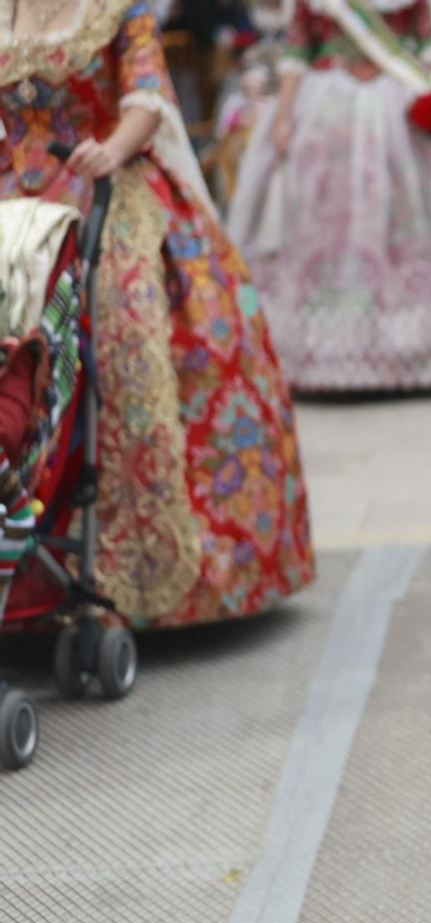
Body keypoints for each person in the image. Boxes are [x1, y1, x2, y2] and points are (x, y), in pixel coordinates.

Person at [1, 0, 314, 627]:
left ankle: (125, 561)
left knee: (125, 325)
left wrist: (111, 149)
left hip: (104, 185)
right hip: (16, 200)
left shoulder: (121, 7)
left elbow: (147, 95)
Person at [227, 0, 431, 391]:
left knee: (406, 224)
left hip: (396, 109)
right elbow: (296, 53)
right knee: (324, 221)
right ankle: (320, 353)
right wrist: (283, 116)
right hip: (325, 110)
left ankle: (413, 350)